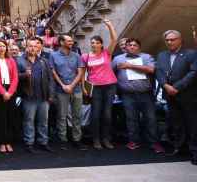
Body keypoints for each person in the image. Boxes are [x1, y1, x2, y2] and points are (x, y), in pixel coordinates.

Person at [112, 38, 164, 153]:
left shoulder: (146, 57)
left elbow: (151, 69)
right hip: (127, 95)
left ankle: (154, 143)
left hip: (146, 94)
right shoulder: (118, 59)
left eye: (134, 45)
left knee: (150, 119)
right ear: (126, 47)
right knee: (131, 119)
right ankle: (133, 141)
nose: (132, 47)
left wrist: (129, 66)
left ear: (139, 47)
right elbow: (111, 73)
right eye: (129, 45)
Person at [155, 30, 197, 165]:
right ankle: (180, 148)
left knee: (192, 124)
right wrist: (165, 86)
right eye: (167, 40)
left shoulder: (191, 53)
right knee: (177, 123)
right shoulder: (162, 55)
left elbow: (193, 72)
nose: (169, 42)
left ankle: (195, 151)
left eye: (173, 39)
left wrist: (177, 87)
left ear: (180, 40)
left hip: (187, 95)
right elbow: (159, 72)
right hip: (170, 95)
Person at [82, 19, 118, 150]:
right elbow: (83, 74)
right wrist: (83, 88)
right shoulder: (86, 56)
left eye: (97, 42)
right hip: (95, 87)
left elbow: (114, 40)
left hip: (110, 86)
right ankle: (96, 139)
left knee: (107, 114)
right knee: (96, 114)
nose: (94, 44)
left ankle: (106, 139)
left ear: (101, 45)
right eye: (92, 42)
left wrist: (109, 25)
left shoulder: (106, 53)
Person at [17, 37, 54, 153]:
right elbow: (15, 77)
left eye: (35, 46)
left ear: (38, 48)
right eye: (30, 46)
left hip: (43, 97)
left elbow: (50, 79)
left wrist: (51, 95)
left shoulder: (44, 61)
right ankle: (29, 143)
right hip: (29, 97)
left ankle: (43, 142)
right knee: (29, 121)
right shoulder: (19, 60)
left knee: (43, 121)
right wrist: (24, 75)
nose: (33, 48)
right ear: (26, 47)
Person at [50, 34, 87, 150]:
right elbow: (53, 72)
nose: (71, 42)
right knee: (62, 116)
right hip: (61, 90)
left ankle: (77, 139)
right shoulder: (53, 55)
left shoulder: (76, 55)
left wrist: (71, 85)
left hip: (76, 90)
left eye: (72, 40)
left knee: (77, 115)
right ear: (61, 42)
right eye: (69, 40)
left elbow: (80, 72)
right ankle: (63, 140)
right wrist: (63, 85)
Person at [0, 40, 19, 154]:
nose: (1, 48)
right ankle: (2, 142)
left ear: (6, 48)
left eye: (3, 46)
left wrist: (10, 92)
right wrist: (3, 92)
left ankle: (8, 142)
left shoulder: (11, 60)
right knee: (1, 118)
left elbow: (15, 77)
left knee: (10, 117)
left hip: (11, 91)